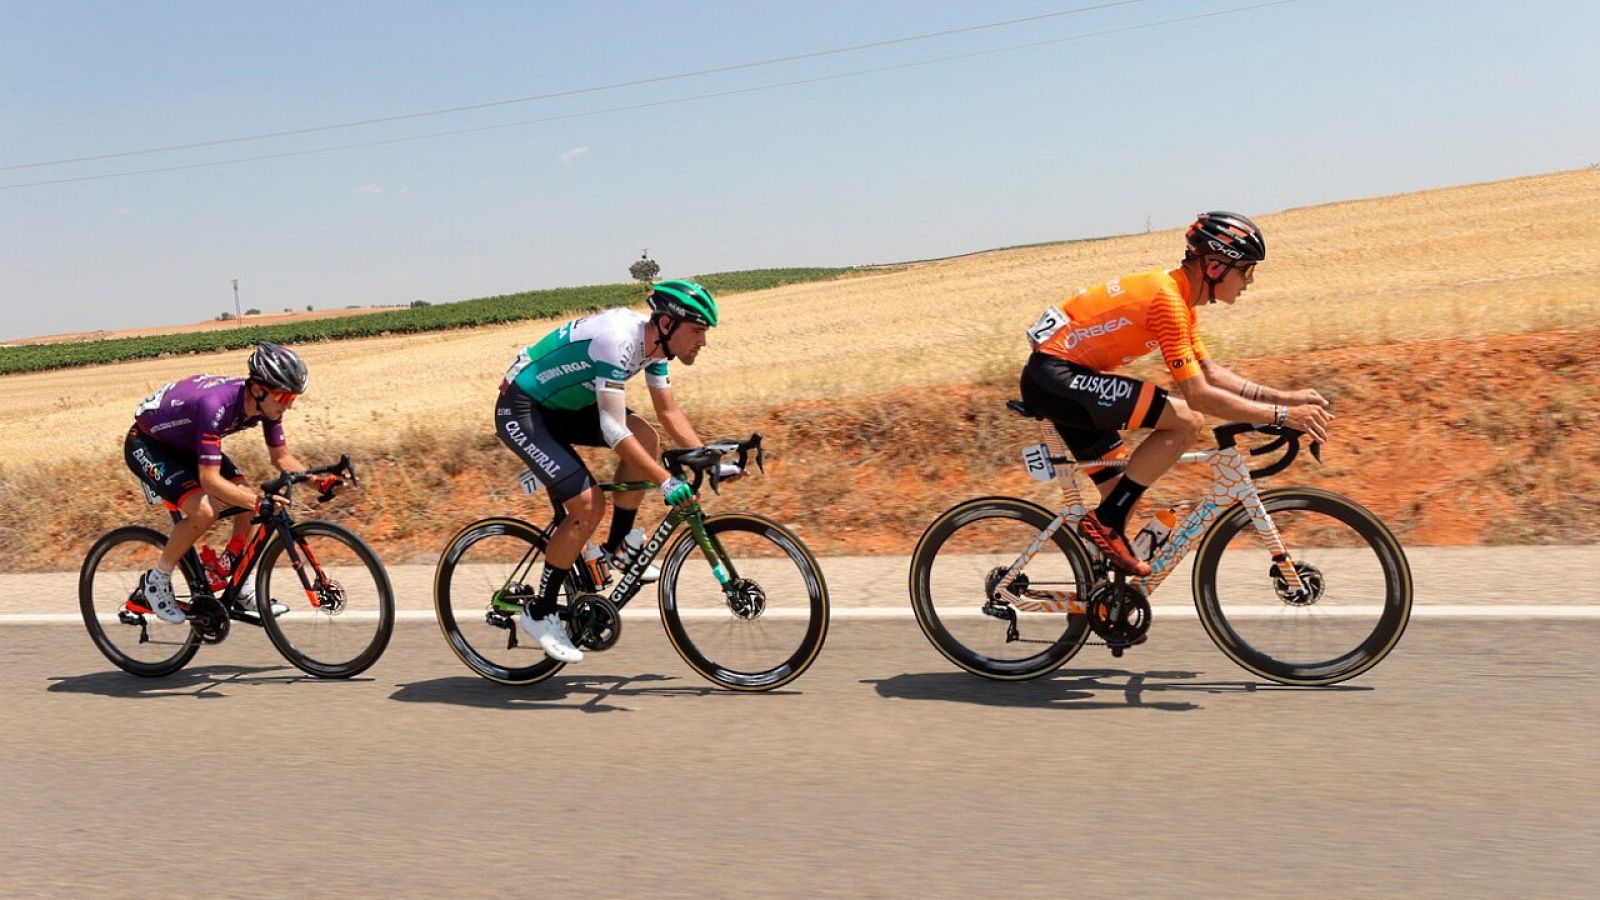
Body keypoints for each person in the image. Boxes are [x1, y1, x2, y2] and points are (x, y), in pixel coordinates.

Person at [1020, 211, 1333, 577]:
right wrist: (1281, 416)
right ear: (1214, 267)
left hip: (1065, 380)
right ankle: (1104, 524)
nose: (1249, 281)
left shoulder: (1179, 299)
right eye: (1246, 270)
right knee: (1186, 419)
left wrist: (1286, 399)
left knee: (1119, 493)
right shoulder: (1167, 301)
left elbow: (1212, 374)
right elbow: (1199, 395)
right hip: (1056, 379)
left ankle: (1100, 591)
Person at [496, 279, 719, 663]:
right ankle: (541, 611)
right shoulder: (619, 341)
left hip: (565, 406)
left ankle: (617, 549)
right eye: (697, 330)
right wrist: (665, 481)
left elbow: (668, 412)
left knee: (646, 438)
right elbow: (613, 429)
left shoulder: (657, 347)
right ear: (668, 324)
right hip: (524, 408)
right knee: (587, 504)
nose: (703, 341)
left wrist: (711, 459)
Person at [125, 341, 329, 622]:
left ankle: (239, 585)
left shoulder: (266, 405)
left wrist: (319, 482)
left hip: (186, 443)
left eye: (292, 398)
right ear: (258, 389)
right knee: (206, 511)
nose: (289, 405)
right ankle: (155, 582)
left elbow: (281, 457)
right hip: (149, 445)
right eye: (284, 397)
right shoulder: (216, 406)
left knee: (245, 501)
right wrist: (258, 502)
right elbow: (209, 479)